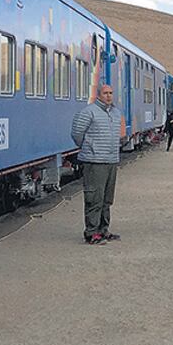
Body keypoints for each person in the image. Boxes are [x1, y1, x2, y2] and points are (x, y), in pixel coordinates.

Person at [71, 84, 123, 245]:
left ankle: (103, 229)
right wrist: (88, 148)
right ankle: (91, 232)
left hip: (111, 161)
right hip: (94, 162)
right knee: (94, 197)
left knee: (107, 198)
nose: (108, 96)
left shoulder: (115, 113)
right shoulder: (88, 112)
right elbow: (77, 133)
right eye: (105, 93)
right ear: (98, 95)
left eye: (111, 93)